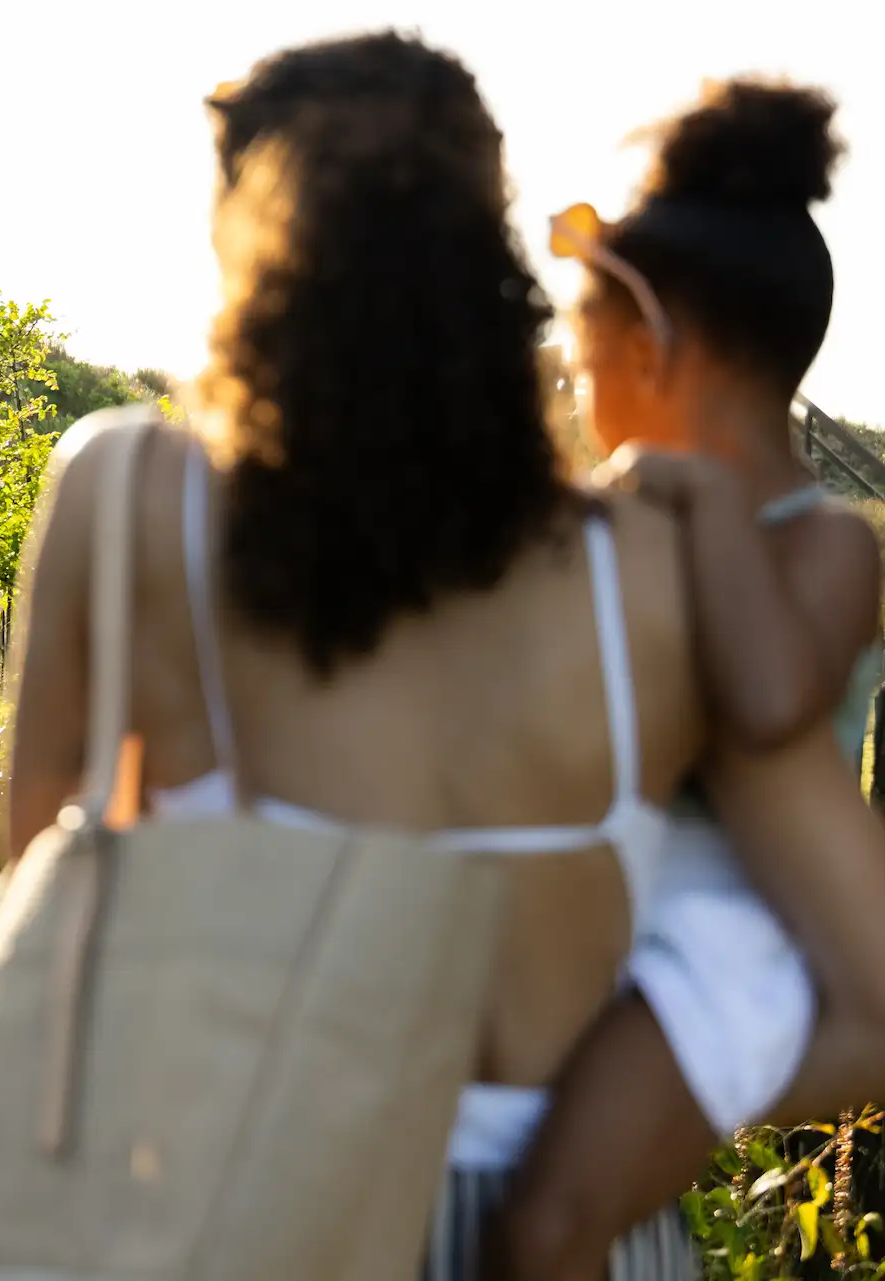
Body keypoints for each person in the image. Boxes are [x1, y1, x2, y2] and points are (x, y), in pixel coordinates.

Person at [0, 33, 885, 1281]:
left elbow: (48, 887)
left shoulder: (127, 492)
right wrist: (658, 1073)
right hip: (585, 1231)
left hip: (243, 1216)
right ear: (490, 249)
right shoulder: (658, 558)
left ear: (247, 240)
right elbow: (868, 996)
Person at [492, 81, 885, 1279]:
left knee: (548, 1223)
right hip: (633, 912)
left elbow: (769, 703)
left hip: (731, 943)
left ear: (656, 351)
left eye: (585, 343)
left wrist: (702, 502)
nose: (572, 374)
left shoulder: (828, 541)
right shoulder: (642, 515)